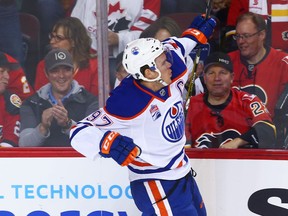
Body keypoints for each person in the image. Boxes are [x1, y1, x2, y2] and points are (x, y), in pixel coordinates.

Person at [69, 15, 216, 215]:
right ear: (149, 72)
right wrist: (109, 143)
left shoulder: (172, 66)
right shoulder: (128, 102)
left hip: (182, 172)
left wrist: (195, 34)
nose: (170, 64)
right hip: (155, 182)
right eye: (164, 62)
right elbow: (78, 131)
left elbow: (178, 45)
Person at [185, 52, 276, 149]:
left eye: (222, 73)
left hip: (241, 163)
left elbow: (268, 130)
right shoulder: (190, 106)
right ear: (205, 78)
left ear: (232, 77)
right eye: (211, 73)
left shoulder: (247, 101)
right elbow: (183, 146)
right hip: (201, 163)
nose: (217, 78)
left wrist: (237, 142)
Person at [19, 48, 98, 147]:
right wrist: (43, 127)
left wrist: (68, 124)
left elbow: (93, 141)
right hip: (42, 162)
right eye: (55, 71)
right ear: (46, 74)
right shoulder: (31, 103)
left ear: (73, 71)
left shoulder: (91, 102)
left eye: (66, 70)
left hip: (79, 161)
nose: (61, 76)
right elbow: (24, 146)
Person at [229, 12, 288, 119]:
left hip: (271, 131)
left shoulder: (283, 63)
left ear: (262, 35)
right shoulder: (226, 62)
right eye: (238, 36)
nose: (241, 41)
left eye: (246, 36)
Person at [71, 0, 161, 58]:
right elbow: (74, 20)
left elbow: (145, 35)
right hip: (83, 52)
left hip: (121, 58)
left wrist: (119, 38)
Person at [34, 17, 98, 96]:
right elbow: (40, 99)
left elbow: (97, 102)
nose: (52, 42)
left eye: (59, 38)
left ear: (74, 41)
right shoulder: (43, 65)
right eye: (52, 36)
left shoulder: (94, 67)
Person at [0, 51, 22, 147]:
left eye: (8, 72)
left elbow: (8, 146)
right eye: (2, 71)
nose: (7, 77)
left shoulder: (11, 102)